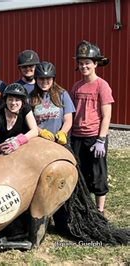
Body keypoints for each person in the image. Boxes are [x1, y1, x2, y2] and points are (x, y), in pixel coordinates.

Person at [70, 40, 113, 214]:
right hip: (77, 137)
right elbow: (72, 113)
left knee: (98, 174)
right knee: (80, 173)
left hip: (95, 137)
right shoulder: (76, 86)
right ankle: (83, 208)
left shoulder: (102, 86)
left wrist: (101, 139)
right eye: (80, 63)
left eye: (87, 63)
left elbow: (107, 115)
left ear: (95, 64)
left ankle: (99, 210)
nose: (83, 66)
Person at [30, 61, 75, 145]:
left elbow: (68, 119)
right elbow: (28, 122)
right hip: (39, 140)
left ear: (53, 79)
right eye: (41, 78)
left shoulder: (62, 94)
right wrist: (40, 132)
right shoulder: (30, 98)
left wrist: (63, 132)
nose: (45, 81)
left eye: (48, 78)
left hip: (59, 140)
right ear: (36, 79)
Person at [0, 83, 38, 154]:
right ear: (5, 100)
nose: (13, 103)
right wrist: (0, 148)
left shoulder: (26, 109)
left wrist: (18, 140)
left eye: (17, 100)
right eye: (10, 99)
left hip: (24, 147)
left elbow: (35, 131)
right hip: (5, 152)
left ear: (22, 102)